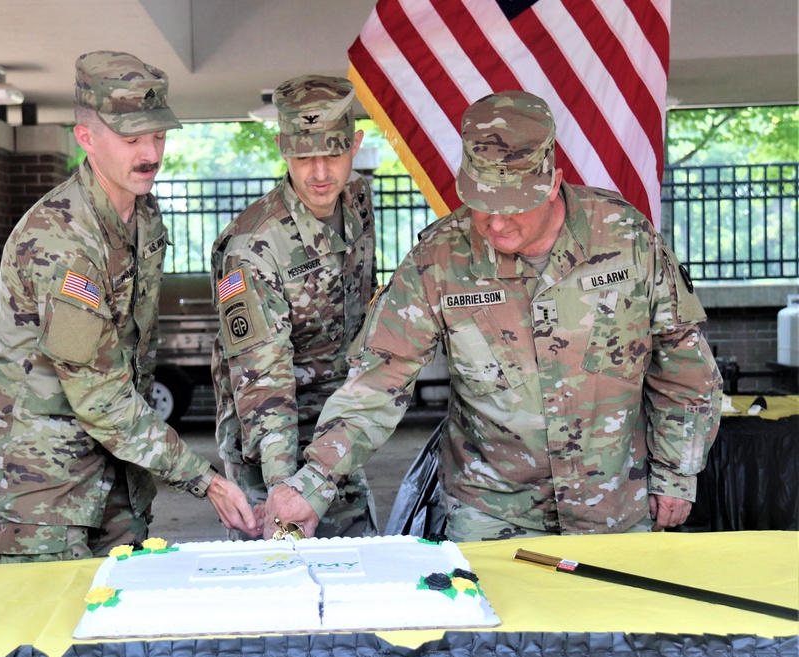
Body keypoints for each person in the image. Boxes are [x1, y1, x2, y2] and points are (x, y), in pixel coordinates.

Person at [262, 90, 723, 541]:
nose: (496, 224)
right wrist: (314, 483)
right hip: (490, 512)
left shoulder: (627, 239)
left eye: (512, 206)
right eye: (482, 205)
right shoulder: (439, 259)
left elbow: (682, 364)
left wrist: (677, 473)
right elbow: (380, 380)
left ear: (553, 182)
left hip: (613, 505)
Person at [0, 51, 258, 563]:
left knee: (122, 632)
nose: (150, 153)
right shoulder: (61, 241)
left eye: (159, 136)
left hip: (118, 473)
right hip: (43, 486)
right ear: (86, 138)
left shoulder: (144, 214)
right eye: (131, 140)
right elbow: (100, 394)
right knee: (49, 638)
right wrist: (204, 480)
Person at [209, 75, 379, 538]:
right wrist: (284, 489)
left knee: (353, 565)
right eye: (304, 157)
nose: (320, 173)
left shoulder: (358, 201)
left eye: (333, 153)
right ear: (283, 149)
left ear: (356, 143)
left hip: (335, 428)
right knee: (277, 574)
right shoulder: (251, 247)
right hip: (267, 438)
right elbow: (262, 378)